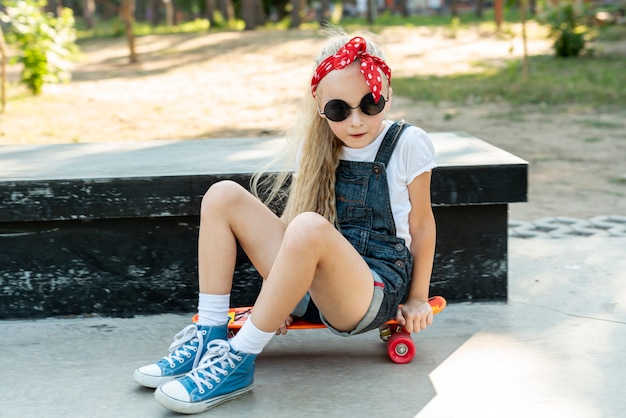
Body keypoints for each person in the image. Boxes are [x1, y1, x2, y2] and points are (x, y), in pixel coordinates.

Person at [133, 31, 437, 414]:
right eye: (340, 110)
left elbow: (423, 226)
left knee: (308, 226)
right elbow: (294, 230)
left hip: (370, 290)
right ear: (320, 107)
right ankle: (209, 339)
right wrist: (279, 300)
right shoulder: (321, 144)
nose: (356, 121)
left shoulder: (408, 143)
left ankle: (238, 360)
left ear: (387, 94)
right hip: (315, 286)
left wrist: (417, 298)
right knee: (222, 195)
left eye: (370, 104)